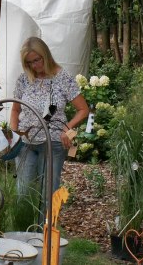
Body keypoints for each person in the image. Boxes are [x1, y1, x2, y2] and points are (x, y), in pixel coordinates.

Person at [10, 37, 89, 197]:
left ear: (45, 55)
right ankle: (25, 222)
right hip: (26, 143)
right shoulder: (24, 79)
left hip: (53, 143)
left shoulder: (62, 78)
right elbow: (15, 110)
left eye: (37, 60)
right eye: (29, 62)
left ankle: (47, 223)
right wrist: (13, 134)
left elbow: (83, 109)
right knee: (23, 194)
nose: (34, 65)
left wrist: (67, 128)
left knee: (48, 195)